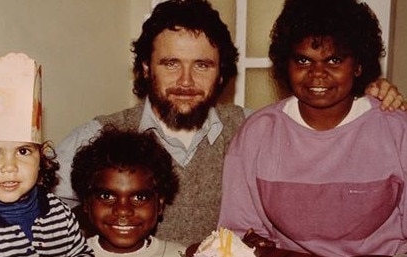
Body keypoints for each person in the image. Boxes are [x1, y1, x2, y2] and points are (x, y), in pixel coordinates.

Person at [54, 0, 405, 246]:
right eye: (171, 63)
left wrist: (369, 92)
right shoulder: (100, 137)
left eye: (203, 65)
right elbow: (39, 215)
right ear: (146, 68)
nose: (186, 80)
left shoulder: (254, 130)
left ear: (222, 73)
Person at [218, 0, 407, 256]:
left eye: (334, 60)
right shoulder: (257, 134)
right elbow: (237, 238)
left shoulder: (396, 130)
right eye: (304, 60)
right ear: (286, 64)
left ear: (359, 65)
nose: (318, 73)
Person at [0, 53, 93, 256]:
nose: (10, 166)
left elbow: (80, 252)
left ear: (41, 158)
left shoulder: (59, 211)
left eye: (23, 151)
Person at [70, 126, 185, 256]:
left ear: (160, 204)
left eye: (139, 198)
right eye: (106, 196)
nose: (123, 211)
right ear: (86, 202)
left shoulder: (182, 254)